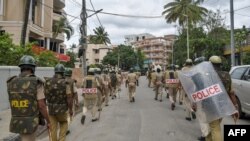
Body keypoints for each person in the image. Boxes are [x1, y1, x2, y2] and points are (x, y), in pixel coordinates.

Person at [7, 55, 50, 141]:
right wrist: (48, 121)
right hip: (30, 122)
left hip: (17, 120)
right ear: (32, 68)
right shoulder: (36, 82)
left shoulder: (11, 81)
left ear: (21, 68)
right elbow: (41, 105)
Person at [205, 56, 239, 141]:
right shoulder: (227, 75)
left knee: (215, 127)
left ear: (210, 64)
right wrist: (235, 107)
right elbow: (231, 93)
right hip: (223, 105)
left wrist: (194, 103)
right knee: (214, 125)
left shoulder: (206, 75)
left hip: (211, 106)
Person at [44, 64, 73, 141]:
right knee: (64, 123)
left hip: (51, 110)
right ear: (63, 72)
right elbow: (69, 98)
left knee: (53, 128)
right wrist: (70, 110)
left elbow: (44, 95)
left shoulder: (47, 82)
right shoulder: (65, 83)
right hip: (62, 110)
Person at [64, 68, 79, 135]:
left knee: (65, 114)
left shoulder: (62, 80)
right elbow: (75, 92)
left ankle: (65, 126)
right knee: (69, 113)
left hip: (62, 101)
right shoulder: (72, 81)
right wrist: (77, 102)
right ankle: (66, 128)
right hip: (70, 100)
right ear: (70, 74)